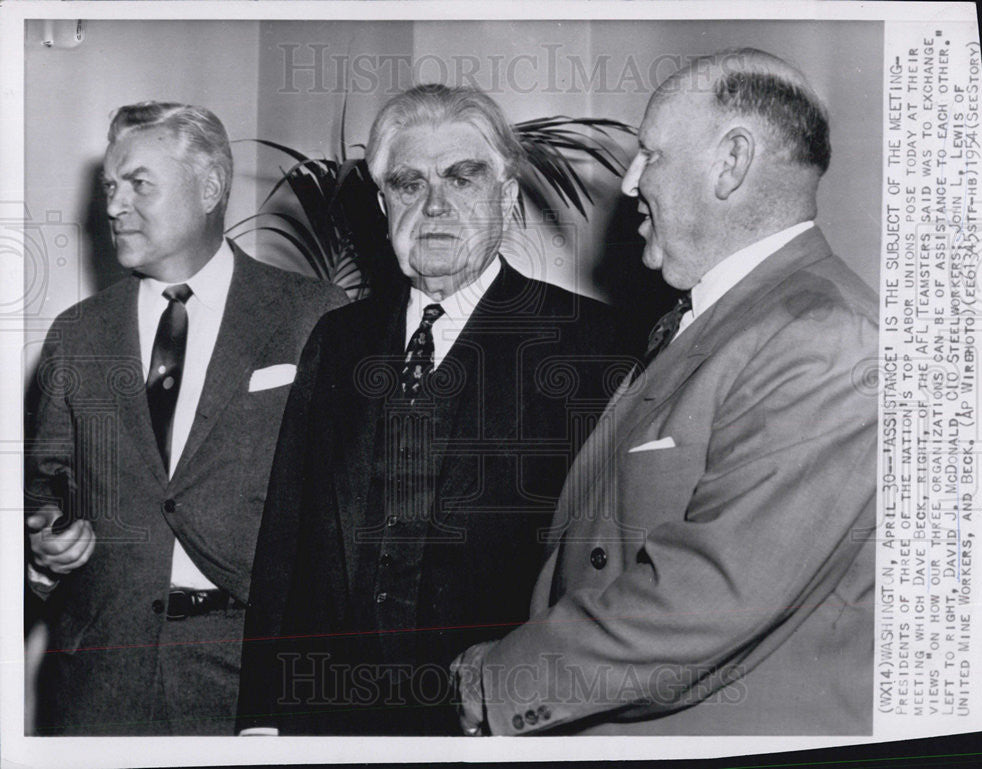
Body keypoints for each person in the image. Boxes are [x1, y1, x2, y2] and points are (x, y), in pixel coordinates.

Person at [451, 48, 878, 736]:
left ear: (731, 162)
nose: (628, 183)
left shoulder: (825, 335)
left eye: (650, 154)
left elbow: (704, 600)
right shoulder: (719, 318)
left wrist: (499, 679)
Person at [237, 84, 620, 735]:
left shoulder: (587, 345)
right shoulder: (340, 339)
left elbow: (602, 575)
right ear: (384, 204)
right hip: (334, 720)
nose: (435, 205)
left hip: (497, 723)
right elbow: (288, 539)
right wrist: (263, 716)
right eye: (409, 184)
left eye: (461, 180)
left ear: (505, 197)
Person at [25, 101, 347, 735]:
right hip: (98, 682)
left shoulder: (315, 316)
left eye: (138, 183)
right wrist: (39, 548)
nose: (114, 205)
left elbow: (344, 508)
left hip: (249, 679)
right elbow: (39, 493)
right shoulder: (77, 335)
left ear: (209, 187)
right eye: (111, 187)